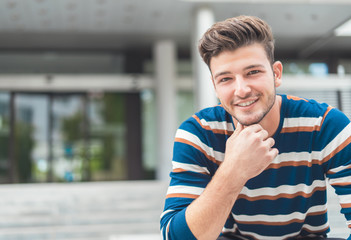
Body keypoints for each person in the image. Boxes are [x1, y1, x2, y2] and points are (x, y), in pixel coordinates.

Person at [160, 15, 351, 240]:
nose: (241, 90)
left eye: (253, 72)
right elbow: (174, 237)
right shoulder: (198, 134)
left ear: (276, 73)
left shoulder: (326, 126)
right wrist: (233, 170)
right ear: (215, 85)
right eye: (225, 79)